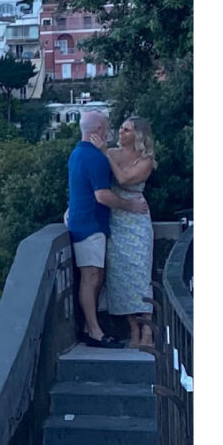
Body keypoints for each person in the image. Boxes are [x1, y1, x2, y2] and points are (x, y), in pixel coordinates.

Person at [66, 107, 124, 344]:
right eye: (107, 127)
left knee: (95, 275)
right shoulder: (95, 158)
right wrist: (129, 206)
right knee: (91, 276)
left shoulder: (77, 154)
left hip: (84, 223)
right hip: (90, 225)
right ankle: (93, 331)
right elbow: (102, 195)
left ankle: (93, 328)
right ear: (99, 130)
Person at [101, 114, 158, 349]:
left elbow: (124, 178)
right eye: (121, 128)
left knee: (140, 274)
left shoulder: (145, 159)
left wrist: (106, 154)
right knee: (120, 276)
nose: (121, 132)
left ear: (138, 135)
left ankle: (147, 330)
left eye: (127, 130)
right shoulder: (112, 153)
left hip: (136, 220)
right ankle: (133, 329)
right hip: (117, 219)